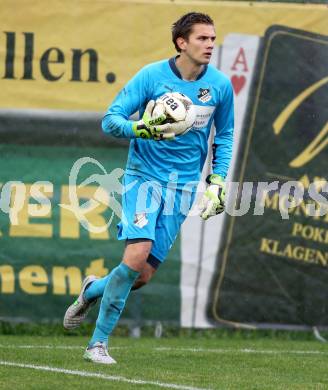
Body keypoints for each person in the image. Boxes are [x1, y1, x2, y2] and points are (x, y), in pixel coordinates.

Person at [63, 12, 234, 364]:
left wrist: (217, 181)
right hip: (144, 177)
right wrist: (141, 128)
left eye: (213, 38)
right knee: (136, 256)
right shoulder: (151, 76)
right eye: (202, 39)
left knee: (140, 276)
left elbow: (226, 135)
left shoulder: (219, 85)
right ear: (181, 43)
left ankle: (92, 289)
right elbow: (111, 120)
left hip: (183, 187)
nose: (210, 45)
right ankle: (97, 344)